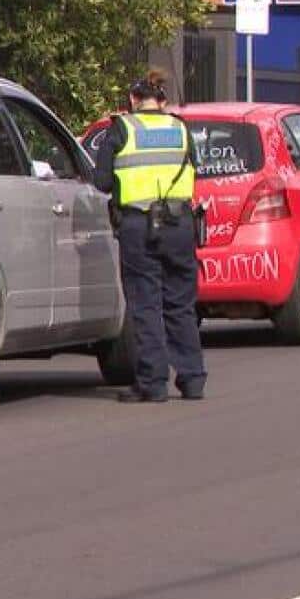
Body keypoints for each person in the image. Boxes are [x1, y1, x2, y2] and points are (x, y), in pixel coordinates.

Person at [93, 69, 208, 402]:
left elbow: (101, 182)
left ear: (132, 100)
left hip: (138, 226)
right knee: (181, 304)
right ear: (162, 101)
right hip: (179, 224)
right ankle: (192, 379)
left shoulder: (120, 129)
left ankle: (153, 383)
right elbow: (193, 170)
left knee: (145, 304)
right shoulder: (180, 128)